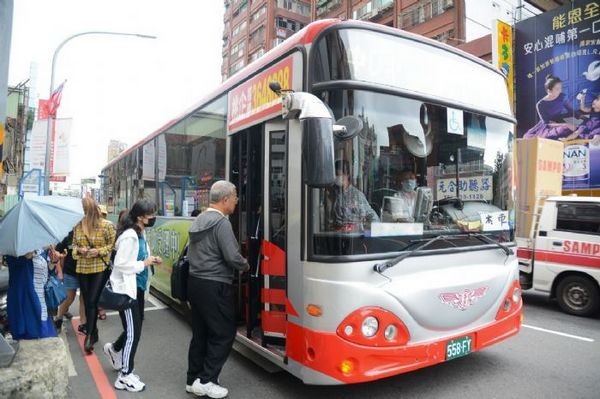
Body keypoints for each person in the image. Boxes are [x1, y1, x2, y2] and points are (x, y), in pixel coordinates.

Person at [186, 180, 249, 399]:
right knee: (223, 333)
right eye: (235, 196)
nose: (237, 200)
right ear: (225, 199)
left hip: (195, 283)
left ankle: (192, 378)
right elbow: (232, 256)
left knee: (201, 332)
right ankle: (207, 380)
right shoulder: (221, 223)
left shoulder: (201, 219)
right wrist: (246, 265)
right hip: (215, 284)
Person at [102, 200, 161, 392]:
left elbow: (139, 258)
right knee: (133, 334)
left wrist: (150, 261)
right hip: (128, 291)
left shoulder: (139, 233)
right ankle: (125, 376)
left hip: (137, 287)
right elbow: (121, 264)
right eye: (151, 214)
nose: (153, 217)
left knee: (133, 330)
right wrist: (144, 263)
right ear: (140, 217)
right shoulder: (130, 236)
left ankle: (116, 353)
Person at [72, 197, 116, 353]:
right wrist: (80, 250)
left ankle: (89, 335)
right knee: (88, 300)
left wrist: (99, 251)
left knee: (91, 300)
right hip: (82, 266)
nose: (83, 214)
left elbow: (112, 245)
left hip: (99, 267)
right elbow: (74, 246)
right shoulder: (78, 226)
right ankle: (94, 332)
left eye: (85, 211)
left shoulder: (107, 225)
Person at [6, 251, 57, 339]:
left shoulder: (40, 251)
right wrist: (24, 258)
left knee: (47, 339)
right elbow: (17, 278)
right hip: (26, 304)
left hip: (42, 302)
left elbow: (44, 275)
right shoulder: (16, 254)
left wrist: (53, 262)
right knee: (34, 339)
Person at [524, 75, 581, 140]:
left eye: (560, 88)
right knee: (562, 131)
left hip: (559, 120)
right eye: (557, 89)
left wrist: (582, 118)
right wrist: (565, 124)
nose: (560, 91)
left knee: (578, 128)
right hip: (549, 126)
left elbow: (571, 110)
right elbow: (546, 123)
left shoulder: (562, 97)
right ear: (549, 91)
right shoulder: (540, 104)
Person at [329, 159, 379, 231]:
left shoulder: (356, 195)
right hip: (334, 235)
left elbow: (371, 215)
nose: (336, 177)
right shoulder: (331, 192)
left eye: (338, 174)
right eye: (335, 175)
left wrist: (375, 231)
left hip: (353, 236)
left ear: (347, 175)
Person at [52, 230, 86, 333]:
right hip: (71, 272)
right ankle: (58, 319)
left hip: (86, 272)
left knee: (83, 299)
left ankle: (83, 324)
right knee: (69, 298)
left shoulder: (89, 234)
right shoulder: (68, 236)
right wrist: (59, 270)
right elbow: (57, 250)